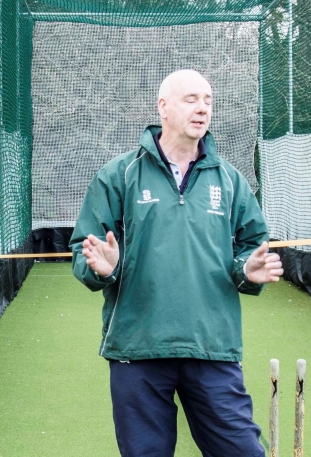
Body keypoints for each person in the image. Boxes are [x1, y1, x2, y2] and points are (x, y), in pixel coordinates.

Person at [69, 69, 282, 457]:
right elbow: (85, 254)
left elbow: (251, 248)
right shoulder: (119, 176)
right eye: (191, 99)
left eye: (208, 101)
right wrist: (104, 268)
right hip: (138, 347)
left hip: (211, 346)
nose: (202, 109)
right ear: (163, 107)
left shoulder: (231, 181)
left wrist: (247, 273)